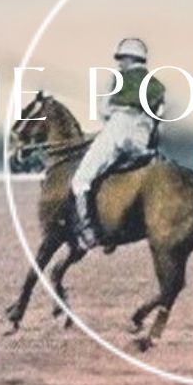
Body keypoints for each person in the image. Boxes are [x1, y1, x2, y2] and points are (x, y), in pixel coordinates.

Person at [71, 37, 165, 251]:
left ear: (130, 58)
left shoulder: (116, 79)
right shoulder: (157, 86)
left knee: (81, 180)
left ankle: (88, 233)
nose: (120, 63)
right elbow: (159, 119)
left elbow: (104, 111)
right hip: (142, 138)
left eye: (122, 58)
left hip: (117, 130)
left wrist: (110, 124)